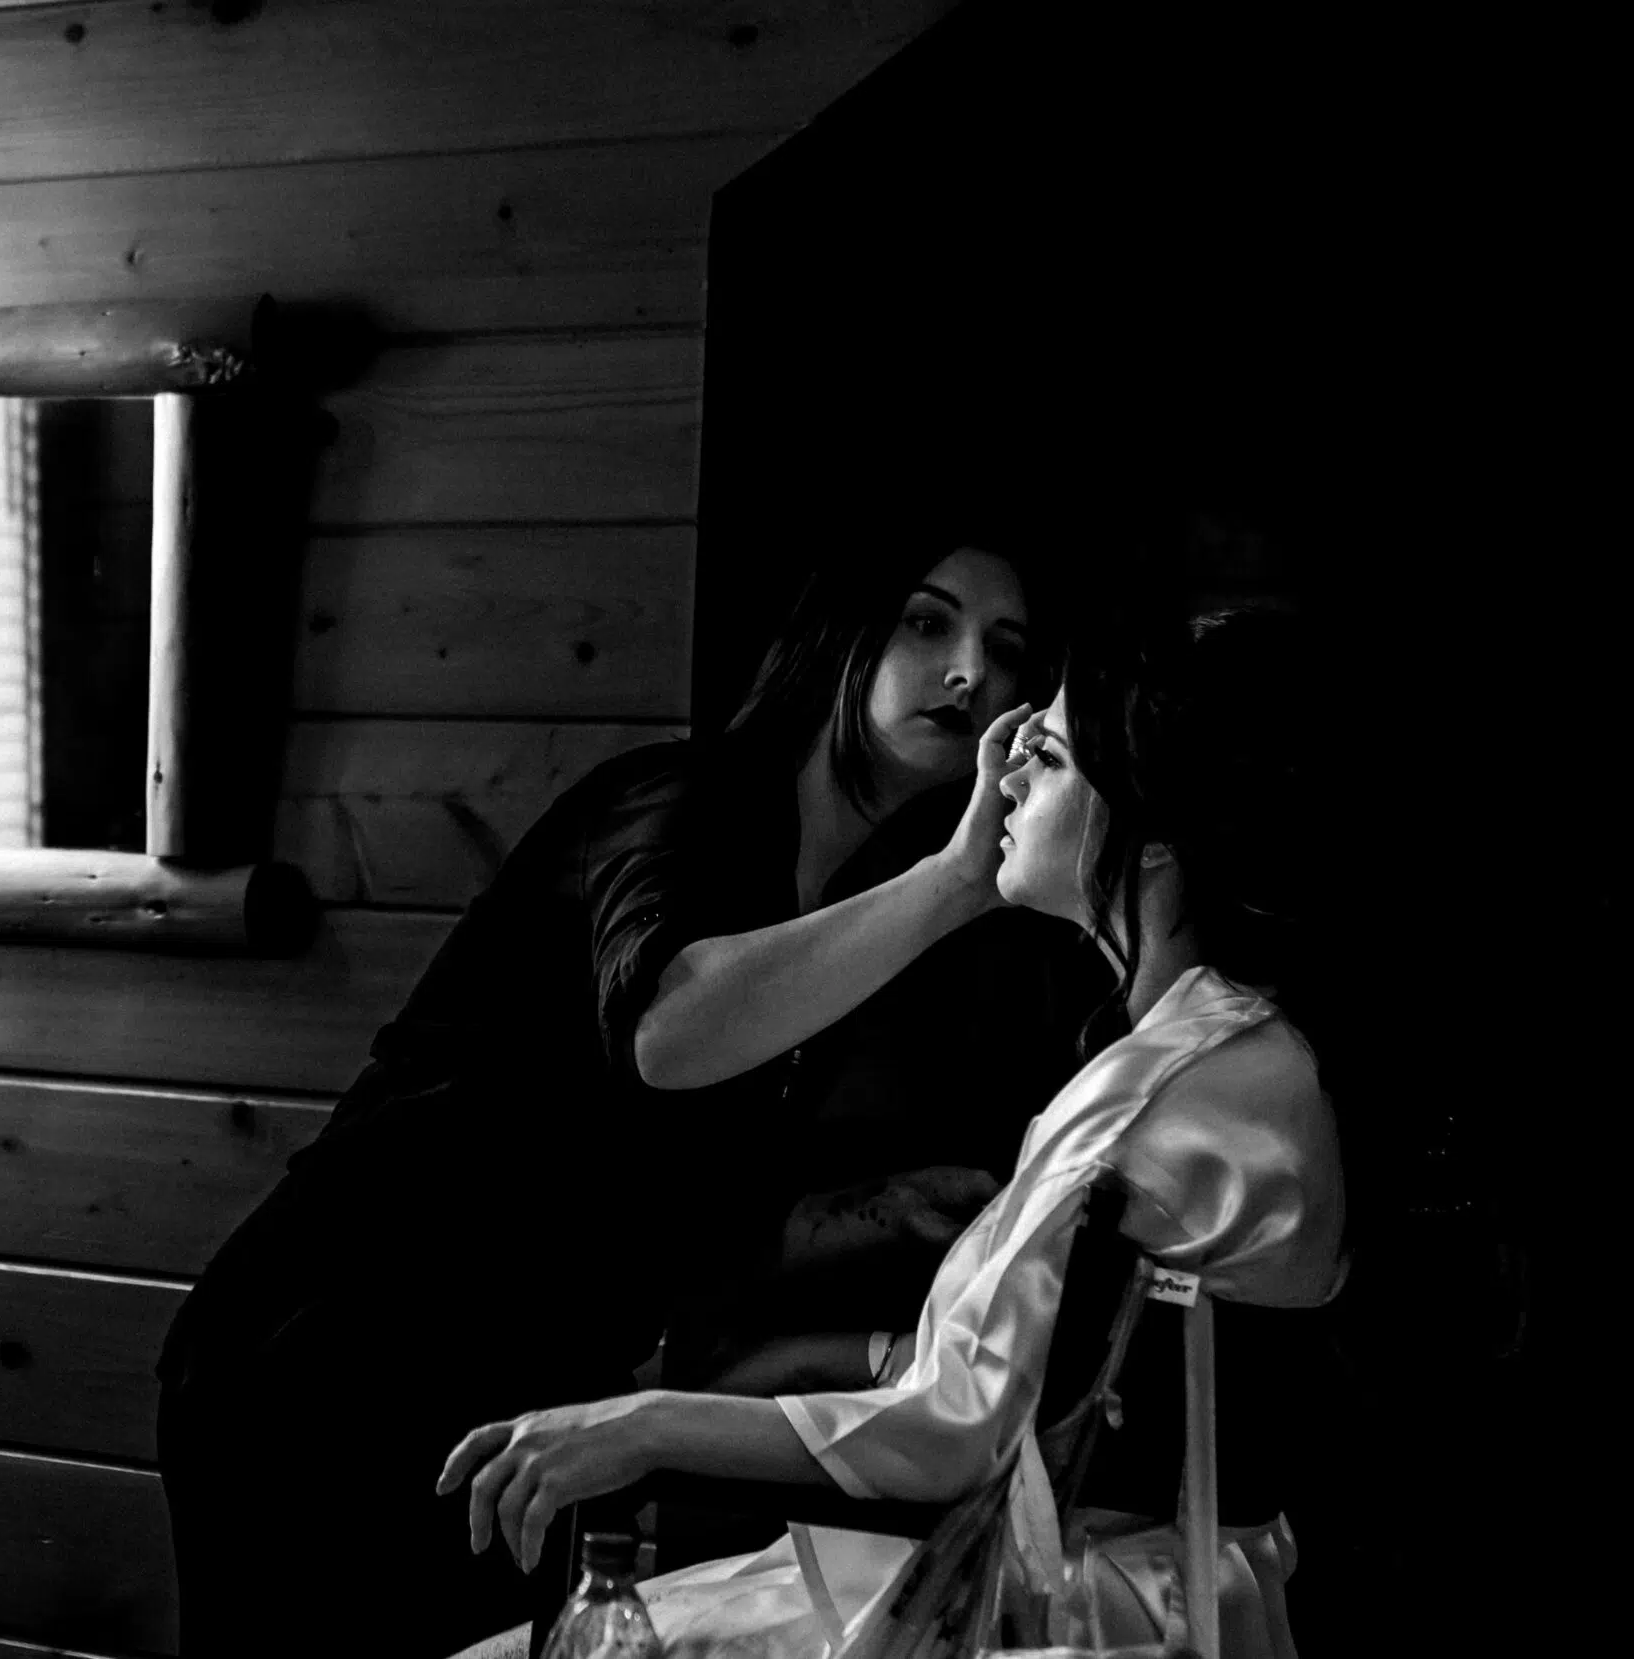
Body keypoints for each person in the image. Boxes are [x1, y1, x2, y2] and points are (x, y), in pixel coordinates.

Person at [155, 529, 1102, 1658]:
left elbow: (674, 1210)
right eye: (925, 621)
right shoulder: (682, 797)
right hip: (331, 1351)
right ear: (836, 631)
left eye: (1004, 649)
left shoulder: (848, 916)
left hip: (509, 1398)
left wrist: (875, 1221)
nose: (969, 675)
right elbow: (667, 1032)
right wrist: (956, 881)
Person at [434, 605, 1347, 1659]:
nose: (997, 775)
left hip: (1080, 1601)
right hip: (1188, 1578)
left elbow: (954, 1425)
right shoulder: (1244, 1050)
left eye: (1040, 755)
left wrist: (633, 1426)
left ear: (1148, 837)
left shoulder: (1155, 1090)